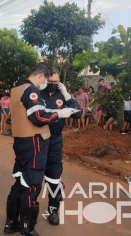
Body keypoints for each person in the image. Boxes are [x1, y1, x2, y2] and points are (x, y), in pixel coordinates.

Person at [4, 63, 76, 236]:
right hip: (33, 143)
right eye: (47, 79)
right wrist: (60, 114)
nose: (46, 83)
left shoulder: (17, 89)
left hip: (22, 142)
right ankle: (27, 230)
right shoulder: (31, 90)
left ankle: (11, 223)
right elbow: (37, 117)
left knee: (20, 183)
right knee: (32, 185)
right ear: (42, 76)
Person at [40, 68, 82, 225]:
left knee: (53, 177)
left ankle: (53, 210)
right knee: (36, 176)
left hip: (55, 141)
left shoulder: (62, 96)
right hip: (39, 139)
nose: (52, 85)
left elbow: (78, 113)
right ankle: (31, 212)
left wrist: (67, 95)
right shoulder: (38, 94)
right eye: (50, 82)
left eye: (56, 82)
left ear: (60, 82)